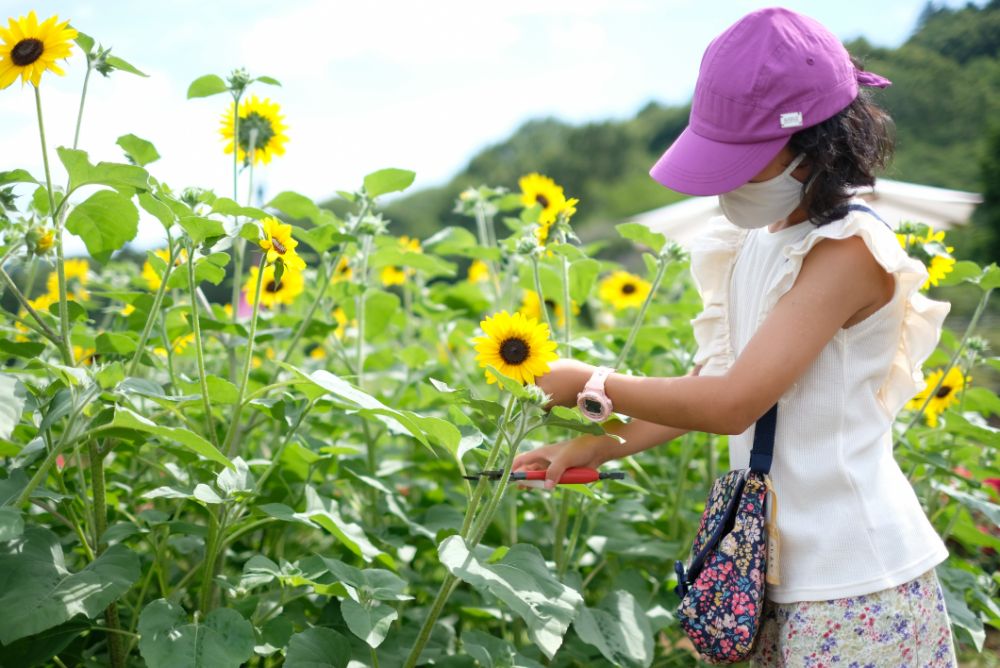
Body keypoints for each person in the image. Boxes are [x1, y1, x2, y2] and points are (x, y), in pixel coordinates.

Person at [513, 7, 959, 666]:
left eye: (744, 160)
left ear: (816, 144)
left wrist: (593, 384)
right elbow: (704, 389)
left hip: (859, 582)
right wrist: (591, 443)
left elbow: (733, 404)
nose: (727, 182)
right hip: (766, 576)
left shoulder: (849, 251)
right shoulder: (749, 245)